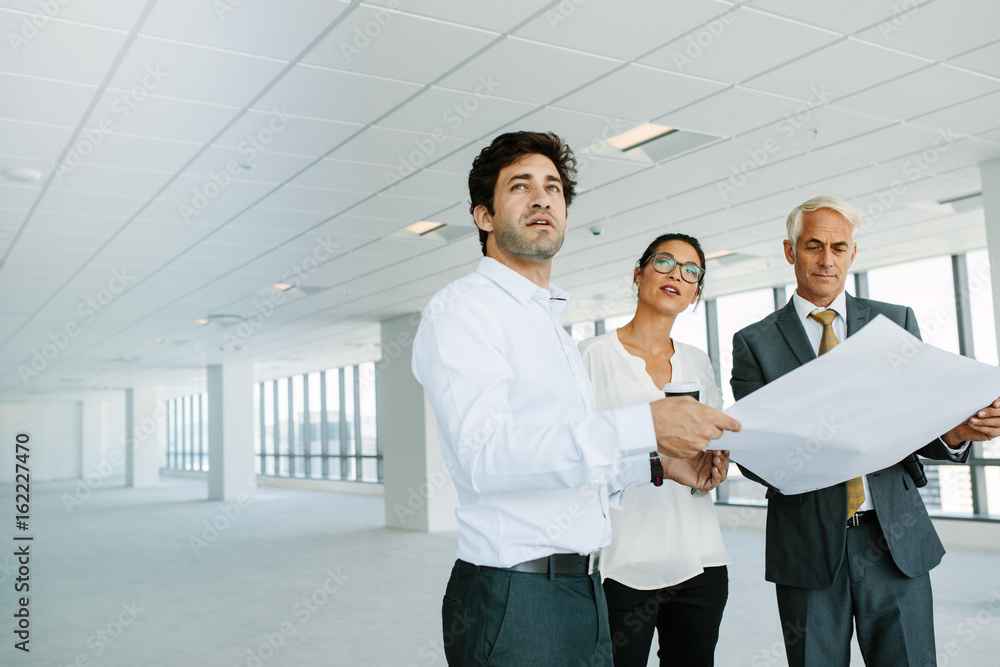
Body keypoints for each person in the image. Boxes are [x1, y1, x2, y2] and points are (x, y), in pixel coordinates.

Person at [411, 131, 740, 666]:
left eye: (554, 188)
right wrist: (644, 425)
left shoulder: (552, 329)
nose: (543, 198)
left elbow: (569, 462)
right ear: (484, 217)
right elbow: (485, 458)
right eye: (521, 187)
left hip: (583, 587)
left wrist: (657, 464)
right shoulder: (463, 311)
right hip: (515, 593)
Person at [730, 195, 1000, 666]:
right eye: (813, 246)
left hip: (894, 539)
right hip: (808, 545)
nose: (826, 259)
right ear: (791, 252)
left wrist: (959, 432)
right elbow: (754, 453)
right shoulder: (755, 342)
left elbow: (921, 425)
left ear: (853, 253)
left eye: (839, 247)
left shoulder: (893, 323)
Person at [579, 233, 731, 667]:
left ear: (696, 292)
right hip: (623, 563)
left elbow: (709, 443)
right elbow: (579, 457)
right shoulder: (591, 357)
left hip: (701, 558)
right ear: (639, 273)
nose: (676, 276)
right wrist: (655, 462)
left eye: (690, 271)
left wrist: (715, 467)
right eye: (664, 262)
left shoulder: (698, 361)